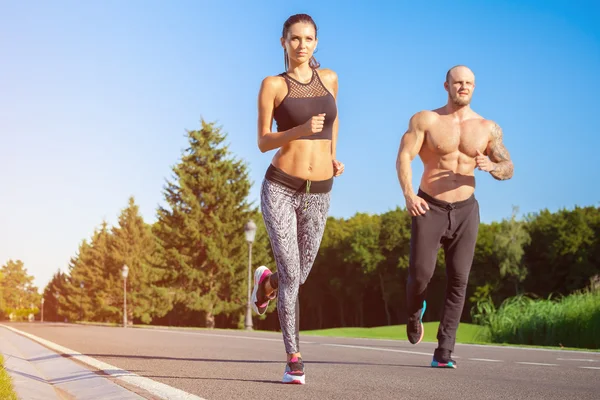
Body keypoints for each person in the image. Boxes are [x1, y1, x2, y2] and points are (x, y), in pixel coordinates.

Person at [396, 65, 514, 368]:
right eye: (458, 82)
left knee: (459, 279)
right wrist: (409, 195)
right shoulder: (426, 120)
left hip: (465, 210)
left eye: (469, 83)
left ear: (474, 87)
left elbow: (509, 167)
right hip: (429, 206)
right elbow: (405, 157)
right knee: (421, 274)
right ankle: (413, 312)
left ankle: (444, 351)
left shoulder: (488, 128)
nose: (463, 87)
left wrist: (492, 166)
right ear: (446, 85)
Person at [250, 13, 344, 384]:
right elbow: (262, 141)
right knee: (293, 274)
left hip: (320, 192)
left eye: (308, 39)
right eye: (294, 39)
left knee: (298, 274)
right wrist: (299, 130)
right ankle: (294, 358)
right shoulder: (273, 85)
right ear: (283, 42)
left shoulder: (330, 79)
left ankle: (265, 282)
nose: (301, 45)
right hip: (281, 186)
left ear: (316, 43)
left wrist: (333, 156)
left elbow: (335, 122)